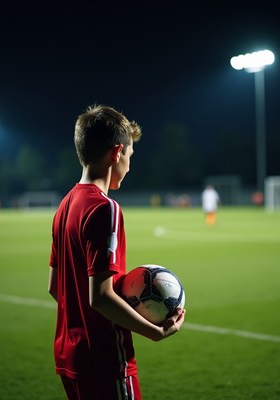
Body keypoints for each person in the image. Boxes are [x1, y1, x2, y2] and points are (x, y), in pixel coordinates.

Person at [48, 104, 185, 400]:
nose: (130, 165)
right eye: (130, 156)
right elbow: (100, 296)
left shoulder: (65, 206)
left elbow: (54, 287)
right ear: (117, 153)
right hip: (105, 361)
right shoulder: (105, 208)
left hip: (69, 357)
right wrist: (154, 330)